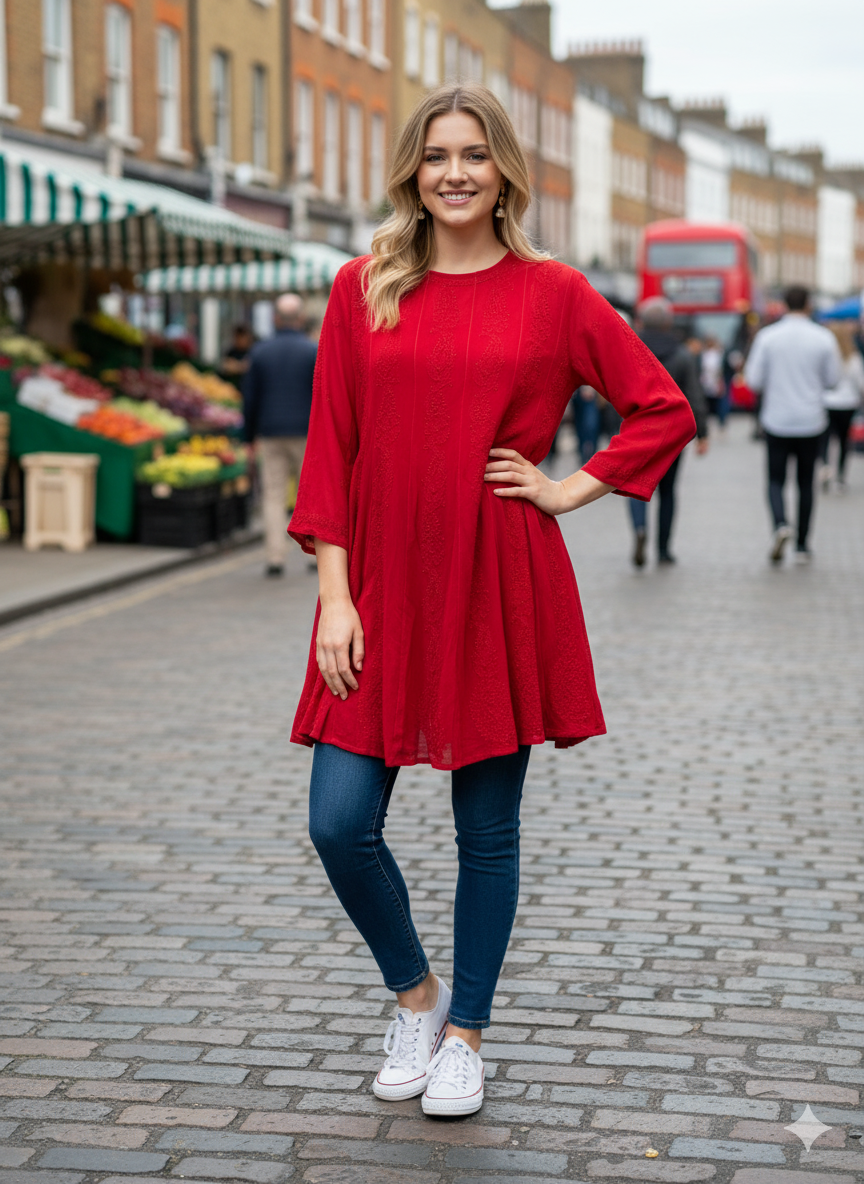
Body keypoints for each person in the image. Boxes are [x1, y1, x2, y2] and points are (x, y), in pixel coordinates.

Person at [287, 84, 694, 1119]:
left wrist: (566, 487)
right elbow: (331, 451)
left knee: (487, 831)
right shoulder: (362, 286)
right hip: (377, 585)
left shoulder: (555, 293)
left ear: (505, 169)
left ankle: (465, 1031)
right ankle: (414, 995)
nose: (455, 173)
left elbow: (661, 405)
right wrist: (335, 597)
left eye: (474, 154)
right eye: (436, 157)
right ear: (412, 173)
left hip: (497, 578)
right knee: (339, 822)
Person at [745, 286, 842, 564]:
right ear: (809, 304)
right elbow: (833, 380)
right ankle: (802, 544)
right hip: (811, 420)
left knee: (775, 479)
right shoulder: (823, 338)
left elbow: (754, 381)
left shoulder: (767, 337)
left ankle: (780, 525)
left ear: (784, 304)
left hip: (777, 419)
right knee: (805, 483)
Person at [626, 298, 709, 567]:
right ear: (669, 323)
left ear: (641, 322)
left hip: (636, 432)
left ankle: (640, 528)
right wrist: (703, 433)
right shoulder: (683, 354)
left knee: (634, 487)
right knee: (668, 491)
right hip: (671, 435)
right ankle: (663, 550)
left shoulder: (630, 350)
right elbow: (694, 396)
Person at [243, 293, 317, 577]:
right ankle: (312, 557)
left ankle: (275, 557)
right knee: (308, 495)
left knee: (272, 496)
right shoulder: (312, 351)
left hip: (270, 432)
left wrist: (249, 438)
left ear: (275, 318)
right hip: (306, 433)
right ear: (299, 318)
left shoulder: (260, 352)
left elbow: (249, 399)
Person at [820, 321, 864, 491]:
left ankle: (825, 465)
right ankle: (840, 475)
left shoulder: (827, 357)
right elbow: (860, 383)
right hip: (847, 403)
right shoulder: (853, 358)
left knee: (825, 438)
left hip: (828, 402)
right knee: (844, 441)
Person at [700, 335, 728, 427]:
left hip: (716, 382)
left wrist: (720, 382)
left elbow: (721, 369)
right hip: (705, 382)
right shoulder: (703, 354)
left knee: (720, 403)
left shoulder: (719, 353)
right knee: (706, 404)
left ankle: (722, 422)